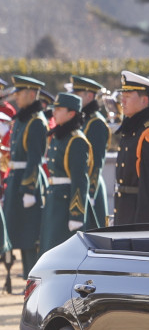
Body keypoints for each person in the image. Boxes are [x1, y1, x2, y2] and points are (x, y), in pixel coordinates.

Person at [112, 71, 149, 226]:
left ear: (144, 100)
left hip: (137, 218)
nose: (122, 100)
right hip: (124, 213)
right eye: (122, 95)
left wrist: (141, 228)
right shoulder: (132, 129)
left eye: (128, 96)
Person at [4, 76, 48, 275]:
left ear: (31, 94)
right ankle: (27, 275)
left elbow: (34, 159)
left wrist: (28, 189)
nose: (16, 98)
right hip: (16, 179)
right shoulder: (23, 119)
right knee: (18, 232)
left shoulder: (37, 121)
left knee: (30, 234)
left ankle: (33, 275)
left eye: (20, 94)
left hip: (27, 183)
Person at [40, 93, 91, 251]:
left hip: (66, 202)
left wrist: (76, 214)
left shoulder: (76, 140)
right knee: (49, 247)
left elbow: (80, 180)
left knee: (61, 250)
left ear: (71, 113)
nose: (54, 112)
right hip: (54, 199)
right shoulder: (58, 136)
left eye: (59, 109)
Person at [71, 76, 111, 229]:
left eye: (77, 94)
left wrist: (91, 191)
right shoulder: (83, 119)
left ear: (89, 96)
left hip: (90, 187)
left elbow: (97, 161)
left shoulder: (96, 123)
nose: (73, 97)